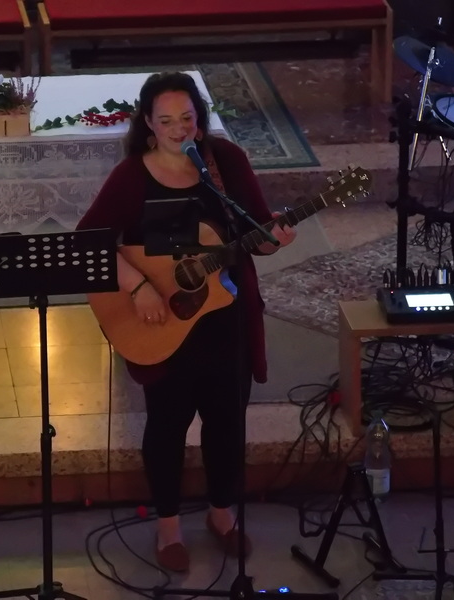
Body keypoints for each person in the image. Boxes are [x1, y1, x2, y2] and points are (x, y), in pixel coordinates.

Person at [76, 72, 295, 572]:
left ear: (200, 120)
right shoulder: (133, 176)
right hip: (164, 323)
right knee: (168, 425)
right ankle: (168, 526)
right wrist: (138, 286)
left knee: (226, 421)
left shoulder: (226, 162)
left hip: (226, 317)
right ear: (149, 124)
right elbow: (89, 241)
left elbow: (257, 234)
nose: (179, 129)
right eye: (167, 120)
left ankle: (221, 512)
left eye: (187, 118)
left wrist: (274, 239)